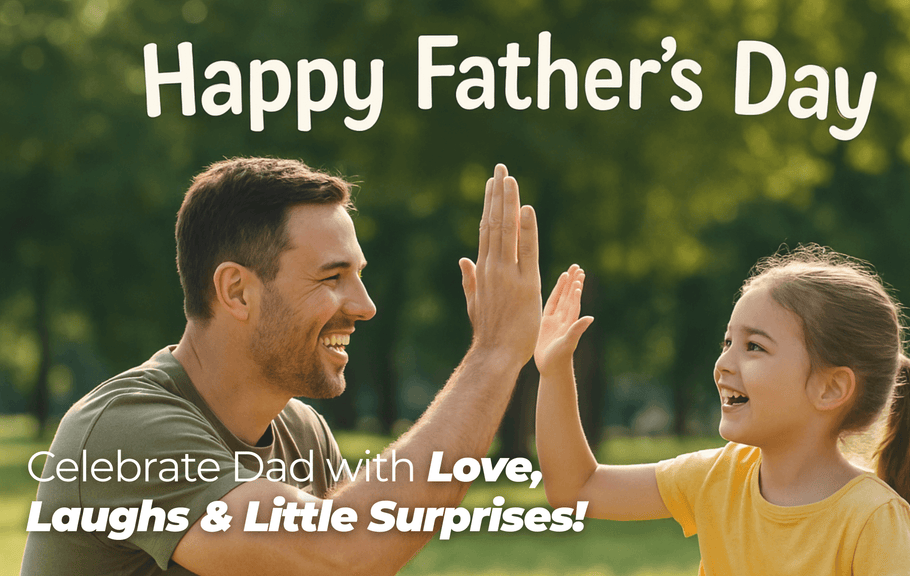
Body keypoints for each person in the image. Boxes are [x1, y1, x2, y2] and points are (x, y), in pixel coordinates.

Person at [22, 157, 544, 576]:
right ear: (236, 291)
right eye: (332, 277)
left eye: (358, 275)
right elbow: (343, 551)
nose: (364, 306)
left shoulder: (302, 434)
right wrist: (494, 353)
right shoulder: (124, 430)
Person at [534, 247, 910, 575]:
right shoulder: (717, 478)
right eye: (727, 343)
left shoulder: (872, 518)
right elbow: (576, 489)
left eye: (754, 346)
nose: (723, 364)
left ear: (831, 387)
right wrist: (553, 370)